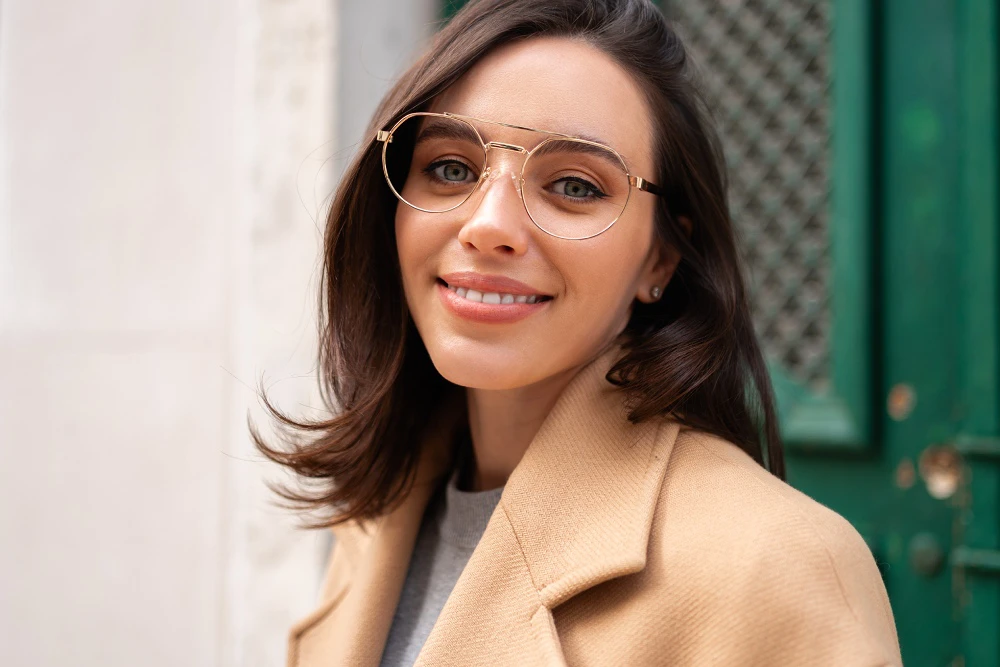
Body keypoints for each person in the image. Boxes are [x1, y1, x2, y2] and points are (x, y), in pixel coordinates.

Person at [255, 1, 903, 665]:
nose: (489, 224)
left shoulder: (775, 563)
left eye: (573, 184)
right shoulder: (380, 513)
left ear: (660, 259)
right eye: (451, 168)